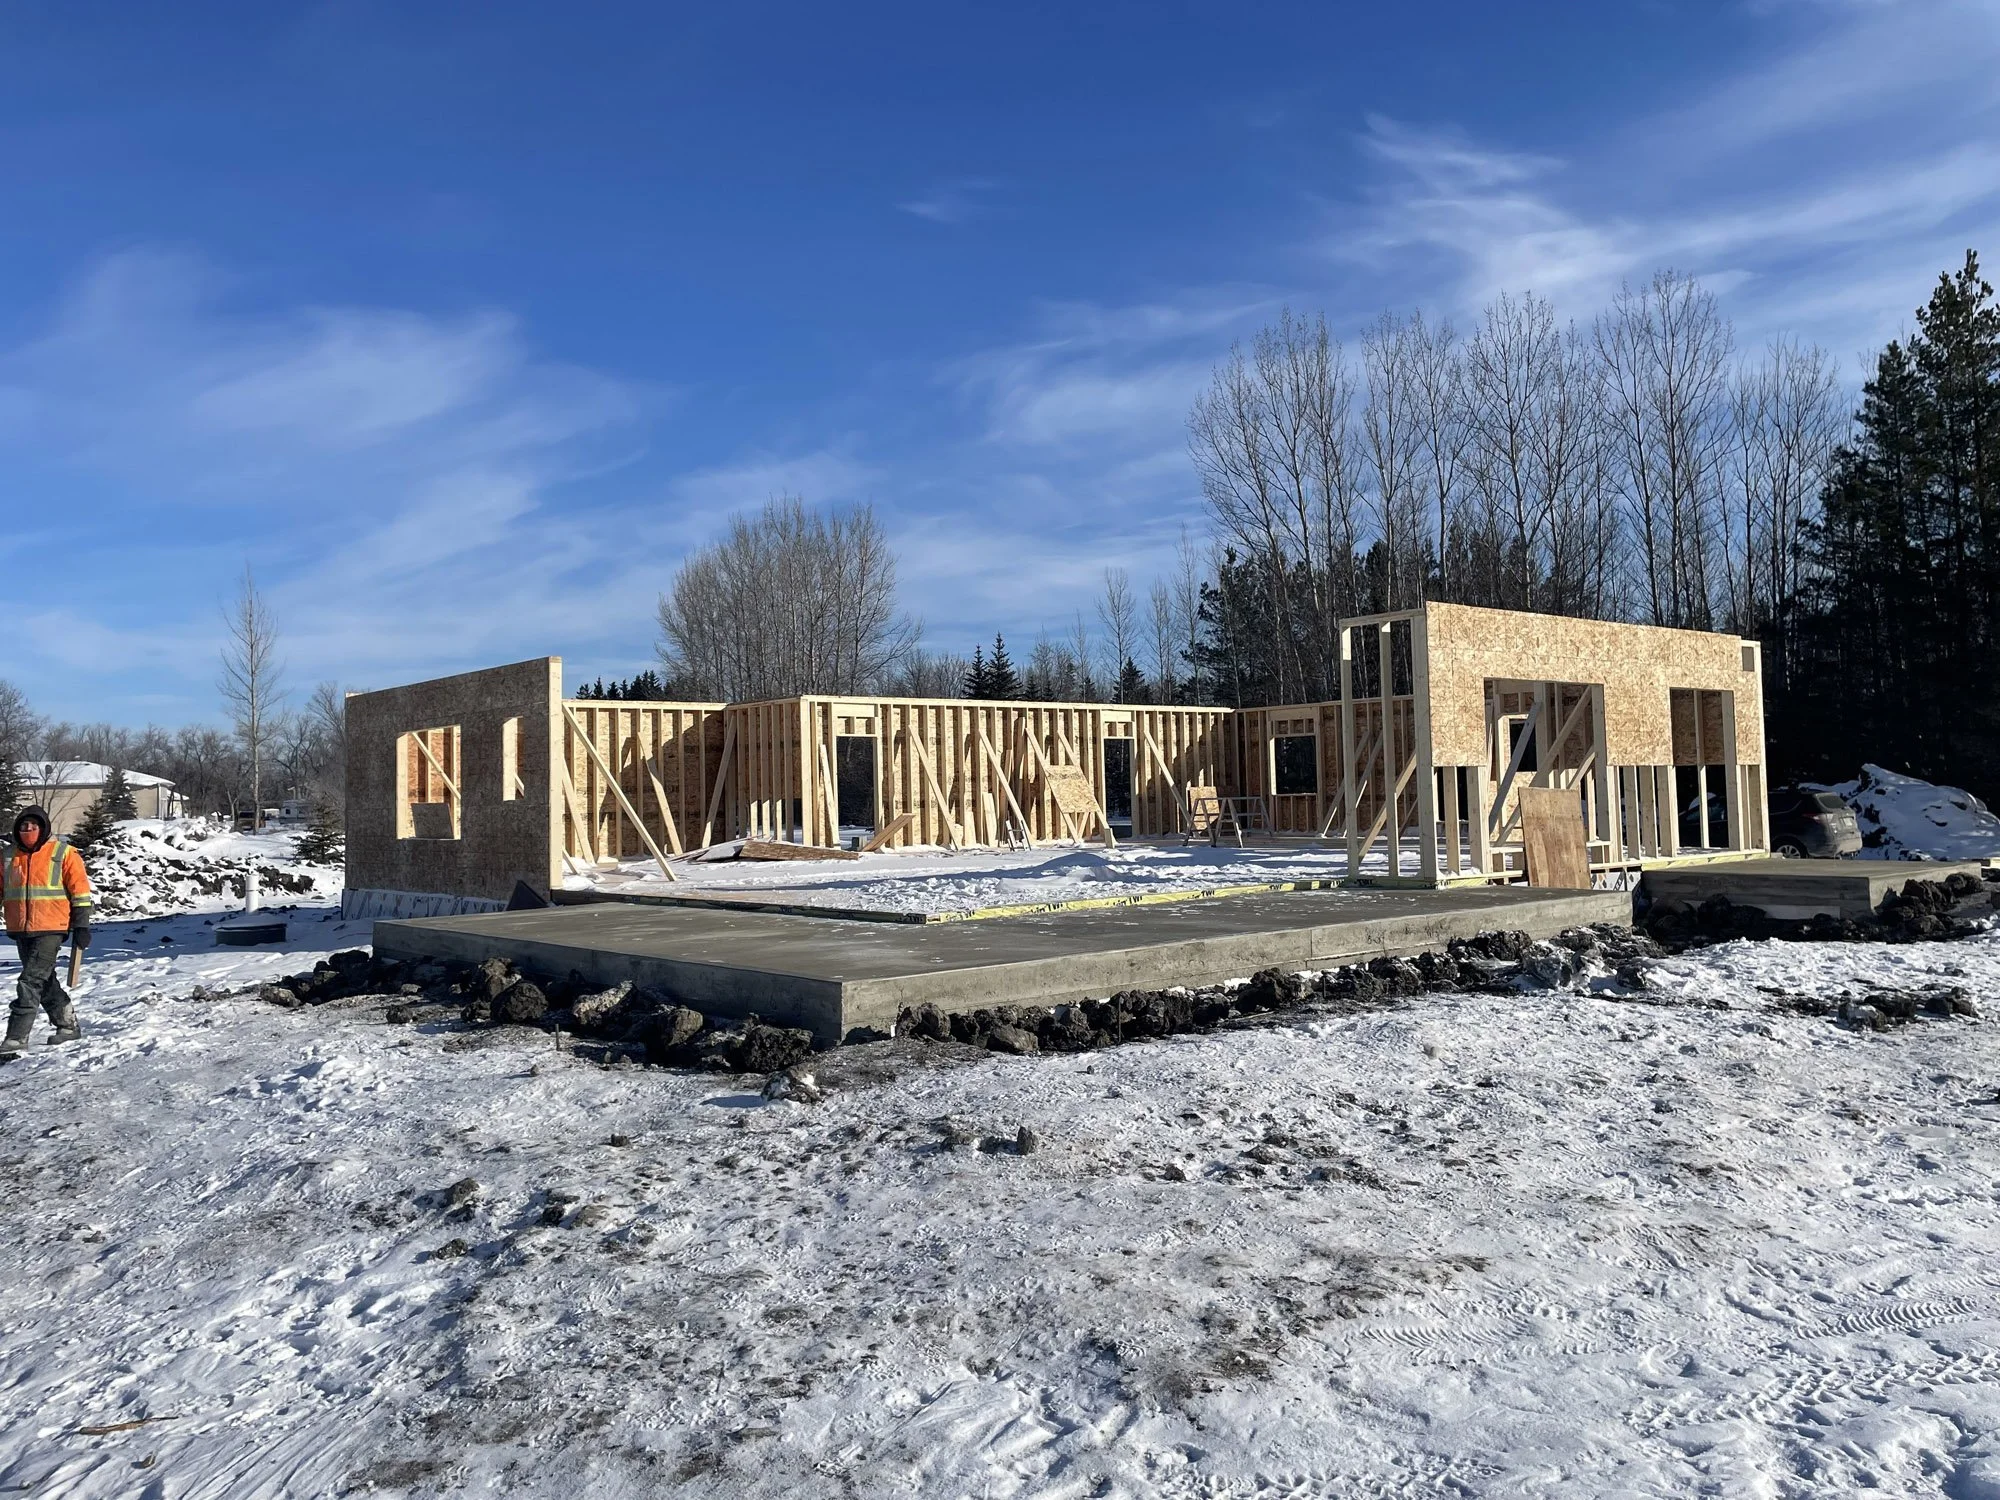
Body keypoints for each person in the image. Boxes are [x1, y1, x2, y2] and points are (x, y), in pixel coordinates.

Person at [2, 806, 92, 1061]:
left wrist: (82, 925)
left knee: (29, 981)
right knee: (44, 981)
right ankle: (68, 1024)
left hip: (52, 928)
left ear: (43, 828)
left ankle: (16, 1037)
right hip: (20, 928)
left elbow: (80, 892)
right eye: (23, 826)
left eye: (33, 826)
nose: (28, 831)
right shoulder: (8, 856)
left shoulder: (63, 853)